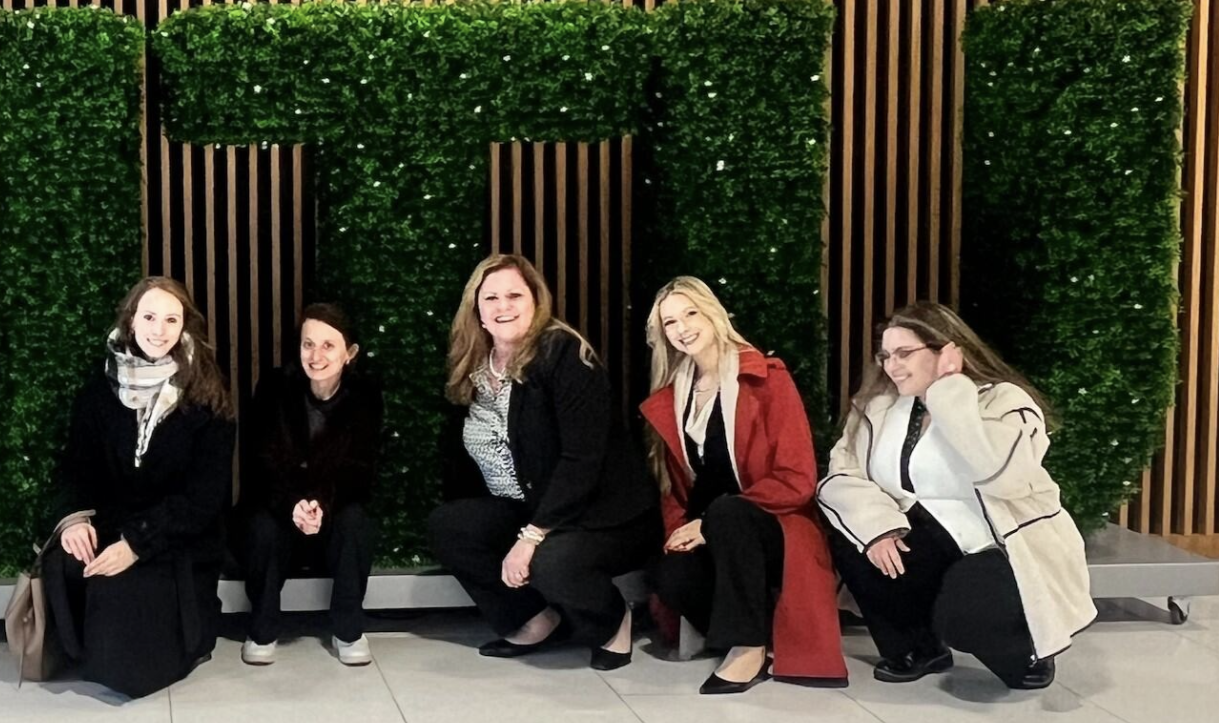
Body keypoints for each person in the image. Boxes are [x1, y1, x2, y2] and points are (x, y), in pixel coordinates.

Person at [818, 301, 1094, 690]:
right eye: (885, 356)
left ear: (946, 350)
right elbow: (843, 474)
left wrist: (949, 392)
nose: (892, 366)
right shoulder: (877, 408)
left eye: (904, 353)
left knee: (967, 617)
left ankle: (1026, 650)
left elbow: (1001, 477)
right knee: (853, 537)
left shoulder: (1004, 401)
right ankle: (918, 647)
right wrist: (877, 527)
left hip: (997, 545)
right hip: (924, 535)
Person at [425, 254, 657, 671]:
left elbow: (580, 460)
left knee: (551, 563)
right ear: (476, 310)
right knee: (451, 525)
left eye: (515, 295)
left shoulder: (564, 354)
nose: (503, 306)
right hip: (531, 503)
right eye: (491, 298)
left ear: (536, 301)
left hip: (600, 513)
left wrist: (531, 537)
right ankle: (536, 619)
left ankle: (613, 619)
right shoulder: (475, 364)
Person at [636, 278, 846, 693]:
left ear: (714, 315)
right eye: (670, 322)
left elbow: (797, 478)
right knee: (672, 577)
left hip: (772, 521)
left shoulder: (767, 378)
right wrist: (681, 530)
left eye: (691, 313)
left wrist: (708, 525)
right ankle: (762, 633)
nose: (682, 328)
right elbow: (675, 488)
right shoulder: (675, 393)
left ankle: (747, 648)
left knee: (728, 512)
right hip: (710, 526)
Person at [42, 277, 236, 698]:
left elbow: (203, 499)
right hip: (114, 524)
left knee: (122, 601)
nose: (159, 330)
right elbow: (76, 467)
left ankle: (125, 650)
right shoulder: (100, 389)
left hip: (177, 539)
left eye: (171, 320)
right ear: (131, 321)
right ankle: (87, 648)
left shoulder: (208, 396)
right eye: (149, 317)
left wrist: (136, 544)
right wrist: (74, 519)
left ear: (184, 326)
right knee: (68, 563)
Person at [236, 303, 384, 667]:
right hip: (280, 503)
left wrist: (320, 504)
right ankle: (262, 628)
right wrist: (293, 504)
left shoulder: (365, 395)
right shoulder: (274, 387)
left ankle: (348, 630)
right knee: (261, 526)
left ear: (350, 353)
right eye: (308, 344)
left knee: (356, 523)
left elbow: (359, 470)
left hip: (332, 506)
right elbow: (261, 463)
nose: (316, 356)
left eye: (328, 346)